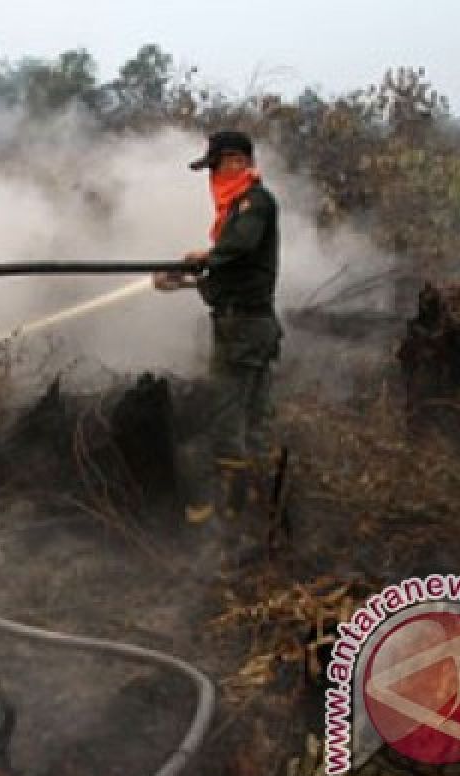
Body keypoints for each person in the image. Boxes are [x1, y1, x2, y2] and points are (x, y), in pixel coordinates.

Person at [154, 131, 282, 524]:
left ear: (237, 162)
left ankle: (233, 523)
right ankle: (268, 510)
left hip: (243, 329)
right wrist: (186, 281)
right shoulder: (239, 209)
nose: (213, 179)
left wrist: (203, 257)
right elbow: (234, 277)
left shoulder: (253, 204)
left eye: (216, 168)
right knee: (256, 421)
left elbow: (238, 249)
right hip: (249, 324)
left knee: (228, 419)